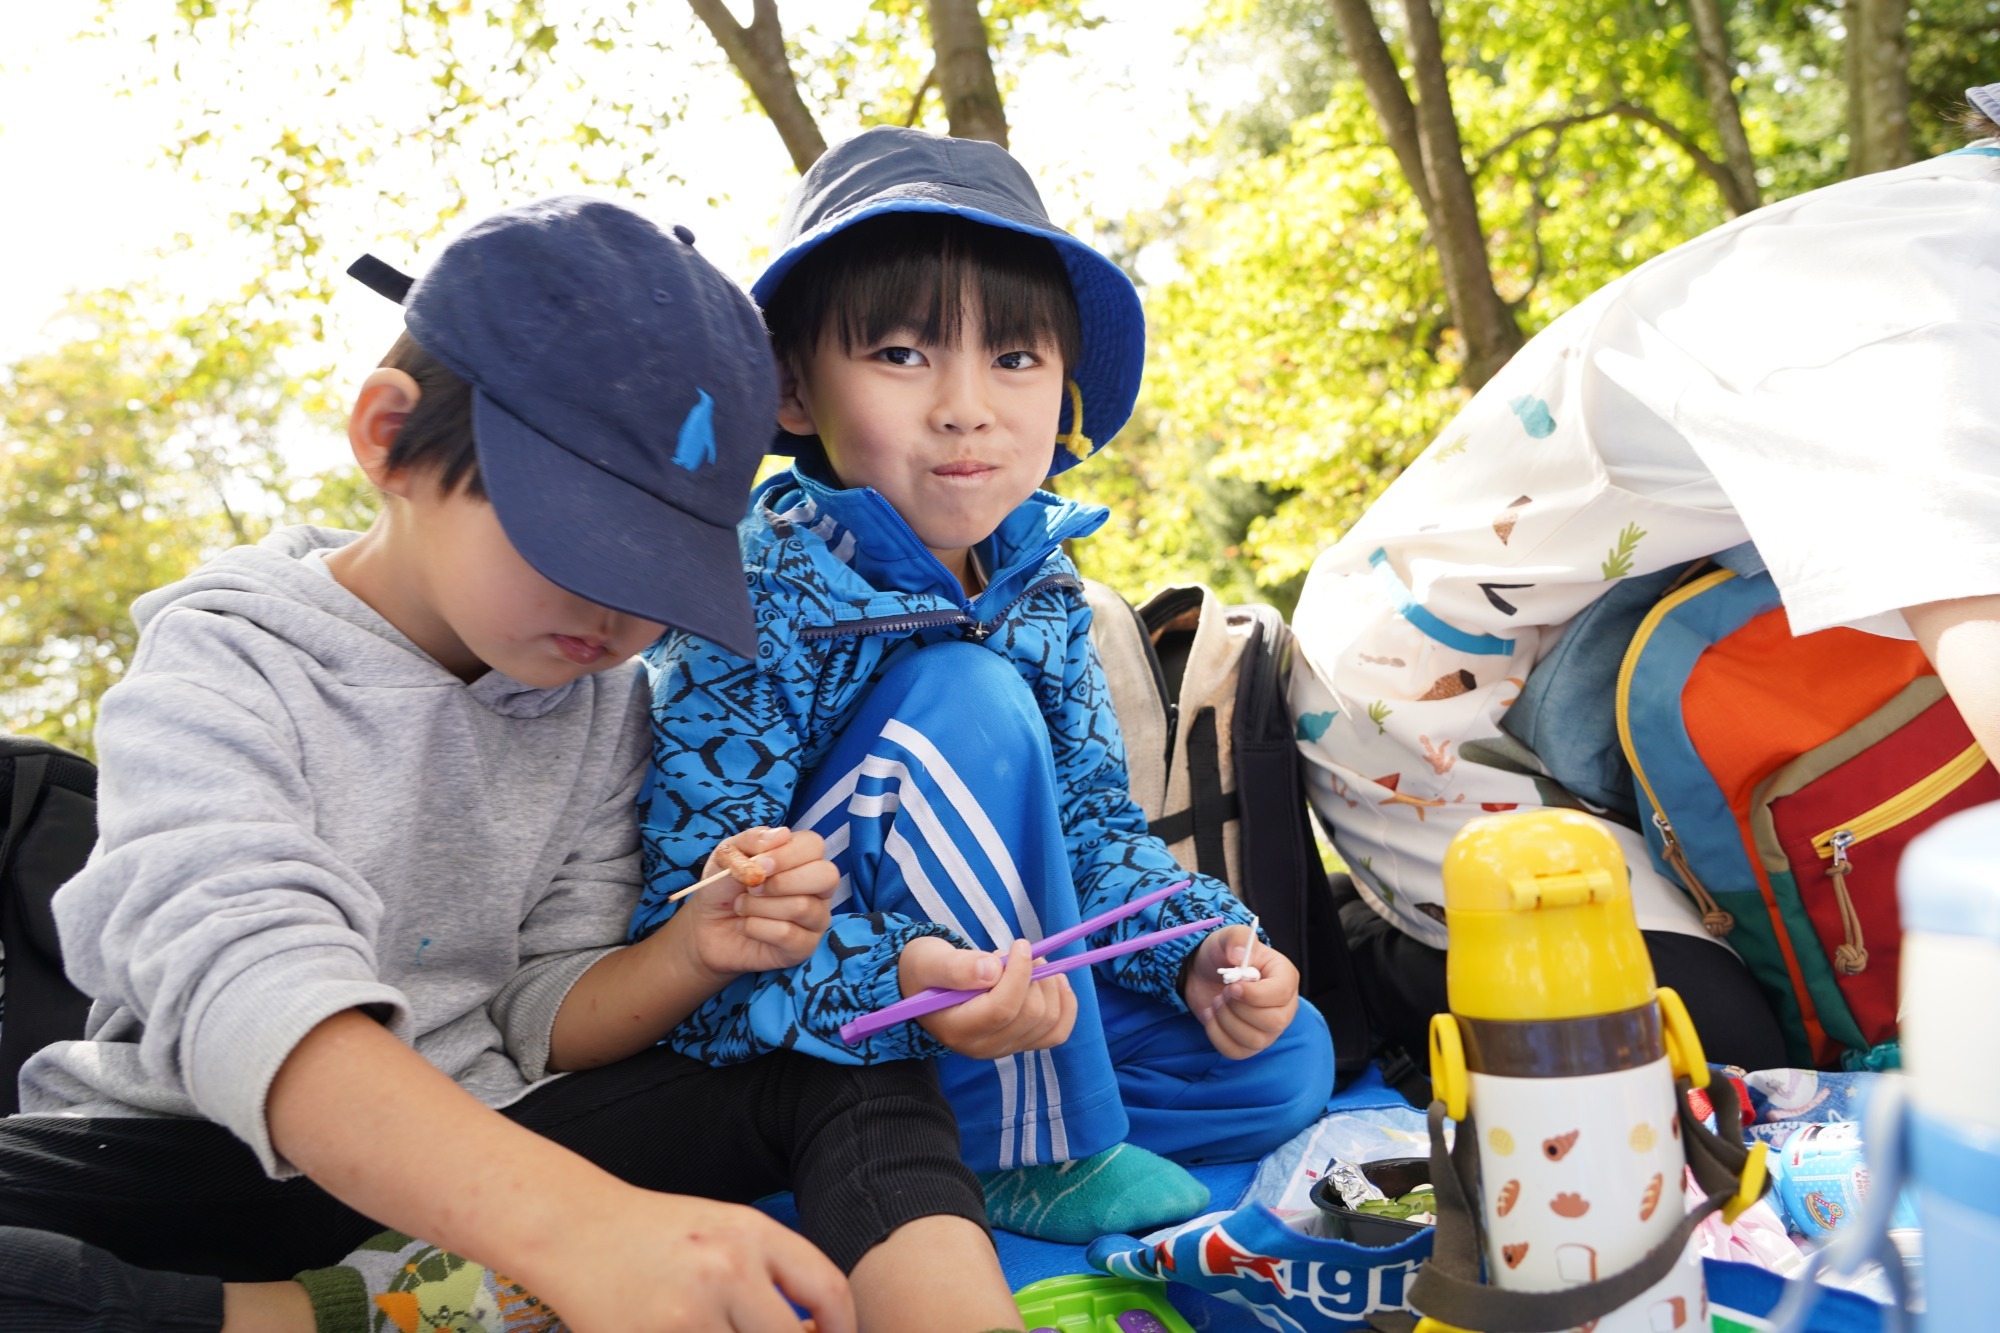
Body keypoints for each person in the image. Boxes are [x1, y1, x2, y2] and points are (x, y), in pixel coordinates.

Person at [0, 197, 1020, 1333]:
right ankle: (304, 1316)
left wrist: (692, 948)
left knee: (840, 1062)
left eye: (664, 577)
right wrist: (576, 1228)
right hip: (194, 1151)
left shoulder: (598, 698)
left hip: (499, 1143)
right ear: (390, 438)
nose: (623, 614)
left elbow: (544, 1006)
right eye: (583, 545)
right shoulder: (224, 655)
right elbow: (244, 973)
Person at [631, 127, 1335, 1247]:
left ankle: (939, 1139)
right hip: (834, 1003)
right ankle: (1021, 1146)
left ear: (1061, 397)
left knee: (1284, 1050)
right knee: (961, 690)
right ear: (796, 391)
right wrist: (904, 970)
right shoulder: (748, 600)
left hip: (1004, 991)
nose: (966, 406)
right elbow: (690, 914)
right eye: (902, 356)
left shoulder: (1041, 583)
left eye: (1013, 360)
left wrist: (1208, 947)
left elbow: (1096, 831)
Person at [1287, 90, 2000, 1075]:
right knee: (1714, 1059)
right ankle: (1369, 963)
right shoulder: (1911, 308)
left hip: (1648, 698)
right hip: (1415, 715)